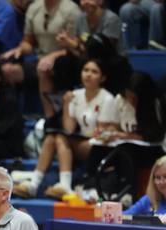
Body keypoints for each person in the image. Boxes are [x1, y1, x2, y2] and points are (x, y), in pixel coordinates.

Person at [16, 58, 114, 199]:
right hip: (81, 141)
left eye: (94, 72)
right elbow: (69, 129)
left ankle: (64, 185)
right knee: (52, 137)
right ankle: (34, 184)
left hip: (101, 146)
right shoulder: (76, 94)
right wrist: (67, 105)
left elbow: (102, 132)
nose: (88, 74)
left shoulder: (107, 98)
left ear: (103, 78)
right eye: (86, 70)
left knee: (59, 137)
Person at [0, 0, 80, 118]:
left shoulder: (71, 10)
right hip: (40, 57)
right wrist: (19, 49)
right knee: (7, 69)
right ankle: (12, 116)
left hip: (66, 58)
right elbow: (29, 42)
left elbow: (75, 46)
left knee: (43, 68)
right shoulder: (34, 8)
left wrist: (53, 56)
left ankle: (49, 118)